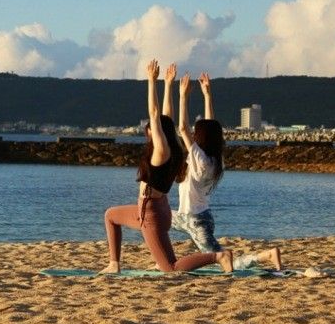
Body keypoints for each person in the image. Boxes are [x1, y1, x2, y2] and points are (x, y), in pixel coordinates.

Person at [100, 59, 234, 274]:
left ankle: (218, 256)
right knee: (111, 215)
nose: (150, 130)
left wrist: (152, 82)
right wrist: (168, 85)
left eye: (151, 129)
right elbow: (165, 119)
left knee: (170, 268)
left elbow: (155, 115)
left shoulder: (161, 152)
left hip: (151, 214)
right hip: (156, 209)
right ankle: (114, 264)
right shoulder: (174, 150)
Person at [172, 68, 281, 271]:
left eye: (198, 133)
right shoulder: (215, 157)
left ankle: (266, 255)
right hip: (193, 216)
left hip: (194, 220)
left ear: (200, 138)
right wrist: (207, 95)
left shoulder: (200, 158)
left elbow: (182, 129)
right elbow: (210, 126)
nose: (194, 135)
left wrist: (182, 97)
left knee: (225, 260)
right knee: (155, 217)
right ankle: (163, 258)